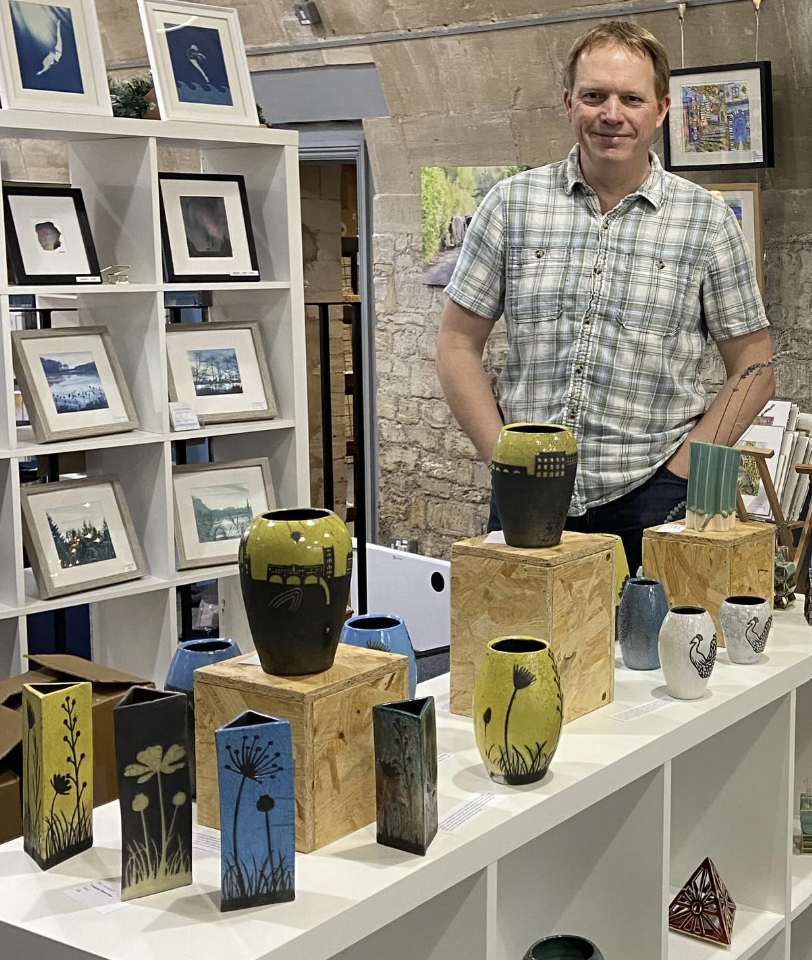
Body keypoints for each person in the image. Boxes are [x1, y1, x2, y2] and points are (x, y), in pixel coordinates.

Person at [435, 20, 774, 575]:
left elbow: (755, 367)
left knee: (648, 634)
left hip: (652, 494)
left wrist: (683, 471)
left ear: (661, 110)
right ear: (569, 103)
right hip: (525, 489)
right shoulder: (510, 205)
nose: (611, 114)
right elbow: (455, 344)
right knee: (523, 630)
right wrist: (503, 458)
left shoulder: (707, 222)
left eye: (631, 98)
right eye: (594, 96)